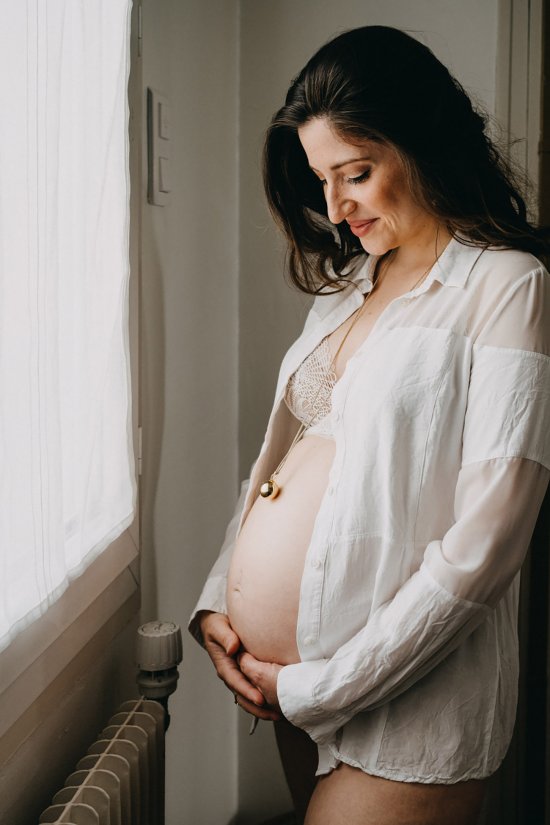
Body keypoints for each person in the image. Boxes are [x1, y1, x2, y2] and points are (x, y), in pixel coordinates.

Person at [189, 25, 550, 825]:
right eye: (322, 179)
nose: (334, 206)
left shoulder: (506, 286)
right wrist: (219, 602)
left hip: (409, 708)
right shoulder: (347, 287)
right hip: (285, 689)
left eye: (356, 173)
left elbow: (487, 545)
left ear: (421, 144)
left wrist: (319, 685)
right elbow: (277, 460)